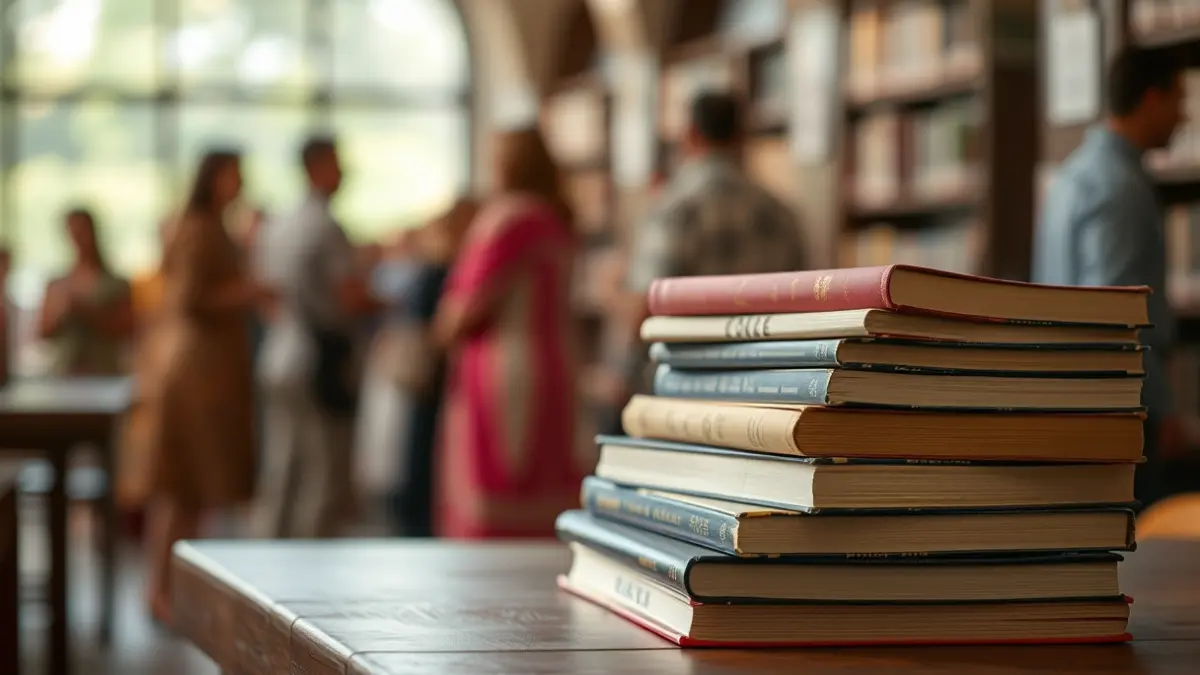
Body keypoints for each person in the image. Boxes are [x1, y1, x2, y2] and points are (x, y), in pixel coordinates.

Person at [1033, 47, 1186, 510]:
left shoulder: (1073, 175)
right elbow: (1118, 316)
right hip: (1117, 408)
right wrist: (1161, 407)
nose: (1186, 115)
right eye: (1180, 99)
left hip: (1069, 400)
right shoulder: (1121, 188)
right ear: (1152, 100)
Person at [432, 126, 584, 539]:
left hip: (505, 373)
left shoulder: (506, 221)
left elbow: (459, 314)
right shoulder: (556, 218)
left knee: (499, 504)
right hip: (555, 363)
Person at [610, 90, 808, 405]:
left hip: (687, 381)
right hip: (768, 383)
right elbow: (806, 302)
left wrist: (611, 293)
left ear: (689, 135)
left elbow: (646, 307)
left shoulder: (674, 207)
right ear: (741, 136)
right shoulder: (780, 212)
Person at [140, 149, 271, 624]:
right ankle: (160, 589)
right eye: (234, 174)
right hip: (196, 374)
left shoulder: (211, 226)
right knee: (180, 487)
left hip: (207, 371)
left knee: (192, 489)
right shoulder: (198, 227)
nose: (240, 183)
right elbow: (190, 298)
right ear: (215, 178)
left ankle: (174, 589)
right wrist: (250, 291)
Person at [255, 135, 379, 539]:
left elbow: (266, 296)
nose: (343, 172)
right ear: (317, 167)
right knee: (325, 475)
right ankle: (311, 571)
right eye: (336, 163)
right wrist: (388, 301)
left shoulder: (277, 226)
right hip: (318, 358)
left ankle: (267, 561)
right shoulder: (325, 227)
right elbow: (349, 296)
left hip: (278, 353)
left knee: (283, 470)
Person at [385, 197, 479, 537]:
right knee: (424, 456)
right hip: (433, 378)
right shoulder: (442, 272)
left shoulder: (430, 269)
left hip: (426, 378)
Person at [37, 208, 133, 376]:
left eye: (82, 230)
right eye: (73, 231)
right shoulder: (56, 284)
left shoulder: (115, 283)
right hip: (64, 372)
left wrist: (86, 311)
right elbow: (42, 332)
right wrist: (61, 312)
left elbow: (127, 330)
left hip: (104, 371)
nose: (78, 237)